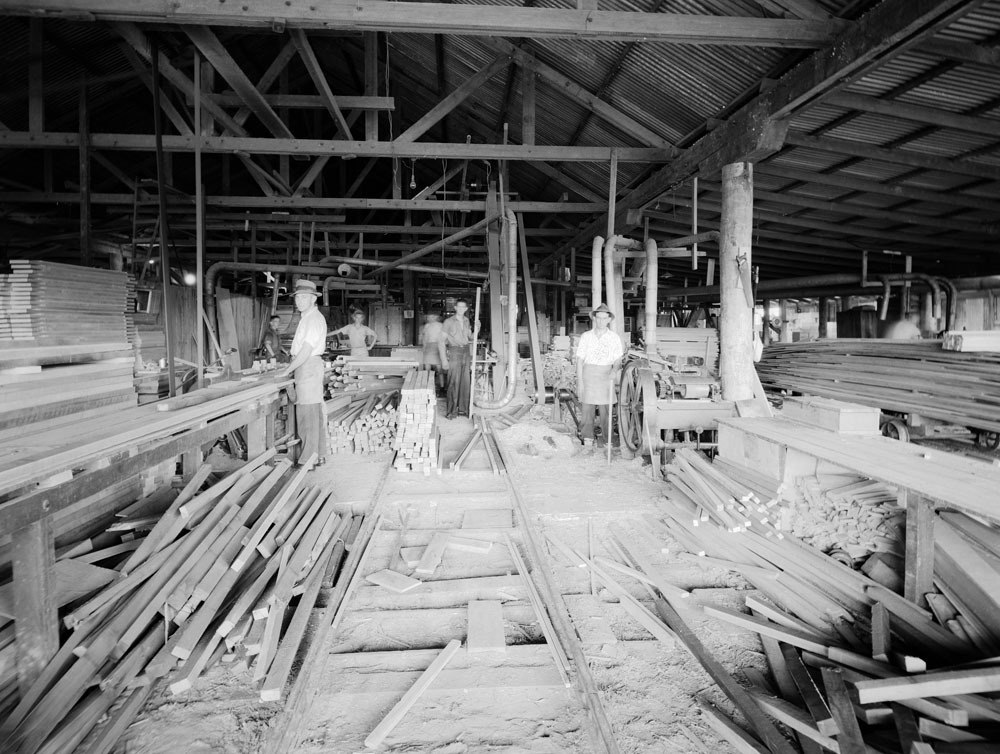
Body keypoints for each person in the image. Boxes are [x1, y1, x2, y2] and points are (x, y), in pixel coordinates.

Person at [281, 279, 328, 466]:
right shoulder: (307, 318)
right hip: (307, 366)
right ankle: (319, 455)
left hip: (307, 366)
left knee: (307, 415)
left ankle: (308, 460)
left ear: (312, 299)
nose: (298, 301)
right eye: (297, 297)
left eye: (303, 297)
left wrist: (287, 370)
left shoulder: (314, 319)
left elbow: (306, 351)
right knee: (314, 414)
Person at [575, 303, 624, 449]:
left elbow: (618, 360)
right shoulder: (586, 337)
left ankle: (607, 440)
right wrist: (580, 381)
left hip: (606, 375)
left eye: (604, 318)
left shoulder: (614, 338)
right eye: (598, 318)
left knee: (606, 411)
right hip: (589, 375)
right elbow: (579, 360)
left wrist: (614, 371)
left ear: (609, 320)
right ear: (594, 319)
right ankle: (588, 439)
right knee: (587, 410)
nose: (601, 321)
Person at [441, 299, 478, 419]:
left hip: (466, 351)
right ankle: (451, 412)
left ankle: (463, 409)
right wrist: (443, 360)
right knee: (453, 381)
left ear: (466, 309)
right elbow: (441, 341)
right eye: (459, 307)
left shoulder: (467, 321)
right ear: (455, 307)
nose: (461, 309)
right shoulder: (448, 322)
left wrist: (477, 328)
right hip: (454, 351)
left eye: (464, 307)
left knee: (465, 381)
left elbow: (470, 337)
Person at [419, 309, 446, 393]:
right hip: (432, 347)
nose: (428, 318)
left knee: (438, 369)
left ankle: (440, 387)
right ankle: (432, 387)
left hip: (436, 347)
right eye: (428, 317)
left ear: (435, 317)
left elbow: (424, 339)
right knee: (430, 369)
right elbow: (424, 338)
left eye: (430, 317)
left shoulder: (440, 326)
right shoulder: (429, 326)